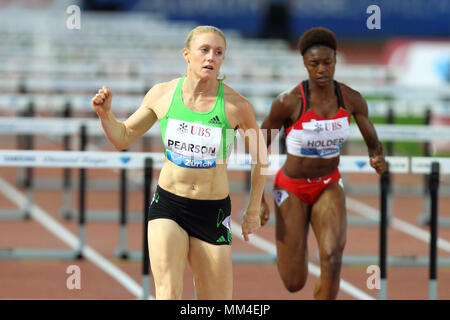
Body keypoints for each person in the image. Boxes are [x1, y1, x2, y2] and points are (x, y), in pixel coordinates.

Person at [91, 26, 268, 300]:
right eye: (204, 50)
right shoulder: (162, 95)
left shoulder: (236, 106)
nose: (211, 57)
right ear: (187, 55)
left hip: (213, 211)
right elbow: (123, 137)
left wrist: (254, 208)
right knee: (168, 294)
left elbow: (261, 156)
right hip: (169, 205)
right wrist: (105, 116)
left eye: (218, 52)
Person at [259, 27, 386, 299]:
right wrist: (256, 195)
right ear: (304, 64)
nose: (321, 70)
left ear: (336, 60)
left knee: (332, 257)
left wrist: (376, 153)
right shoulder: (288, 102)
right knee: (294, 281)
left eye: (327, 63)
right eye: (313, 64)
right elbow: (259, 144)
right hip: (291, 188)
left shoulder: (350, 99)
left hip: (328, 185)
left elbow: (371, 136)